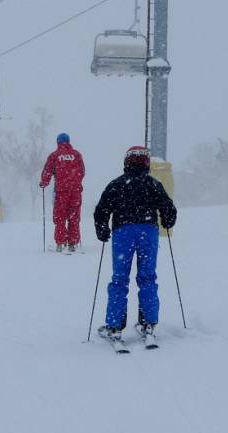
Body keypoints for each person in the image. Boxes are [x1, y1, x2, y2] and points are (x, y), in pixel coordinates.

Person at [93, 146, 177, 344]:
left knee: (120, 279)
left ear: (126, 163)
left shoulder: (117, 184)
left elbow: (101, 210)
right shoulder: (153, 184)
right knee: (147, 277)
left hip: (123, 232)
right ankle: (148, 323)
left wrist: (102, 229)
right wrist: (167, 220)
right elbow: (169, 209)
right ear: (147, 163)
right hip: (148, 232)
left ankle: (114, 325)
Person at [40, 133, 86, 252]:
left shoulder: (55, 156)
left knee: (60, 217)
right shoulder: (77, 155)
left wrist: (44, 182)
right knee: (74, 217)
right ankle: (72, 243)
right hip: (75, 192)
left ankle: (60, 243)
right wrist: (75, 181)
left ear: (58, 142)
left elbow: (47, 171)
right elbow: (82, 171)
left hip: (61, 192)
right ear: (68, 141)